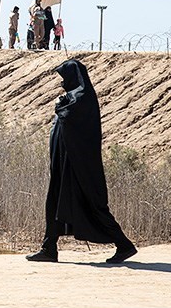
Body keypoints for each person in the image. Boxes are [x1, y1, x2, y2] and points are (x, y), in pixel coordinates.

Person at [26, 59, 137, 265]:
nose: (61, 83)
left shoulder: (83, 98)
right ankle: (49, 248)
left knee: (93, 205)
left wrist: (61, 107)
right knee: (54, 203)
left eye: (63, 78)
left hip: (80, 167)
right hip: (65, 165)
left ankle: (124, 245)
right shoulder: (73, 98)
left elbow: (70, 120)